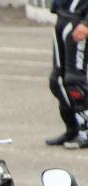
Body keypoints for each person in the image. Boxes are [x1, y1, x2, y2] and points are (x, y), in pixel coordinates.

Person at [46, 0, 88, 149]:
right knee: (57, 81)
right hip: (62, 17)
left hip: (79, 21)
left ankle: (86, 130)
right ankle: (72, 129)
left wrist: (86, 23)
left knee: (75, 82)